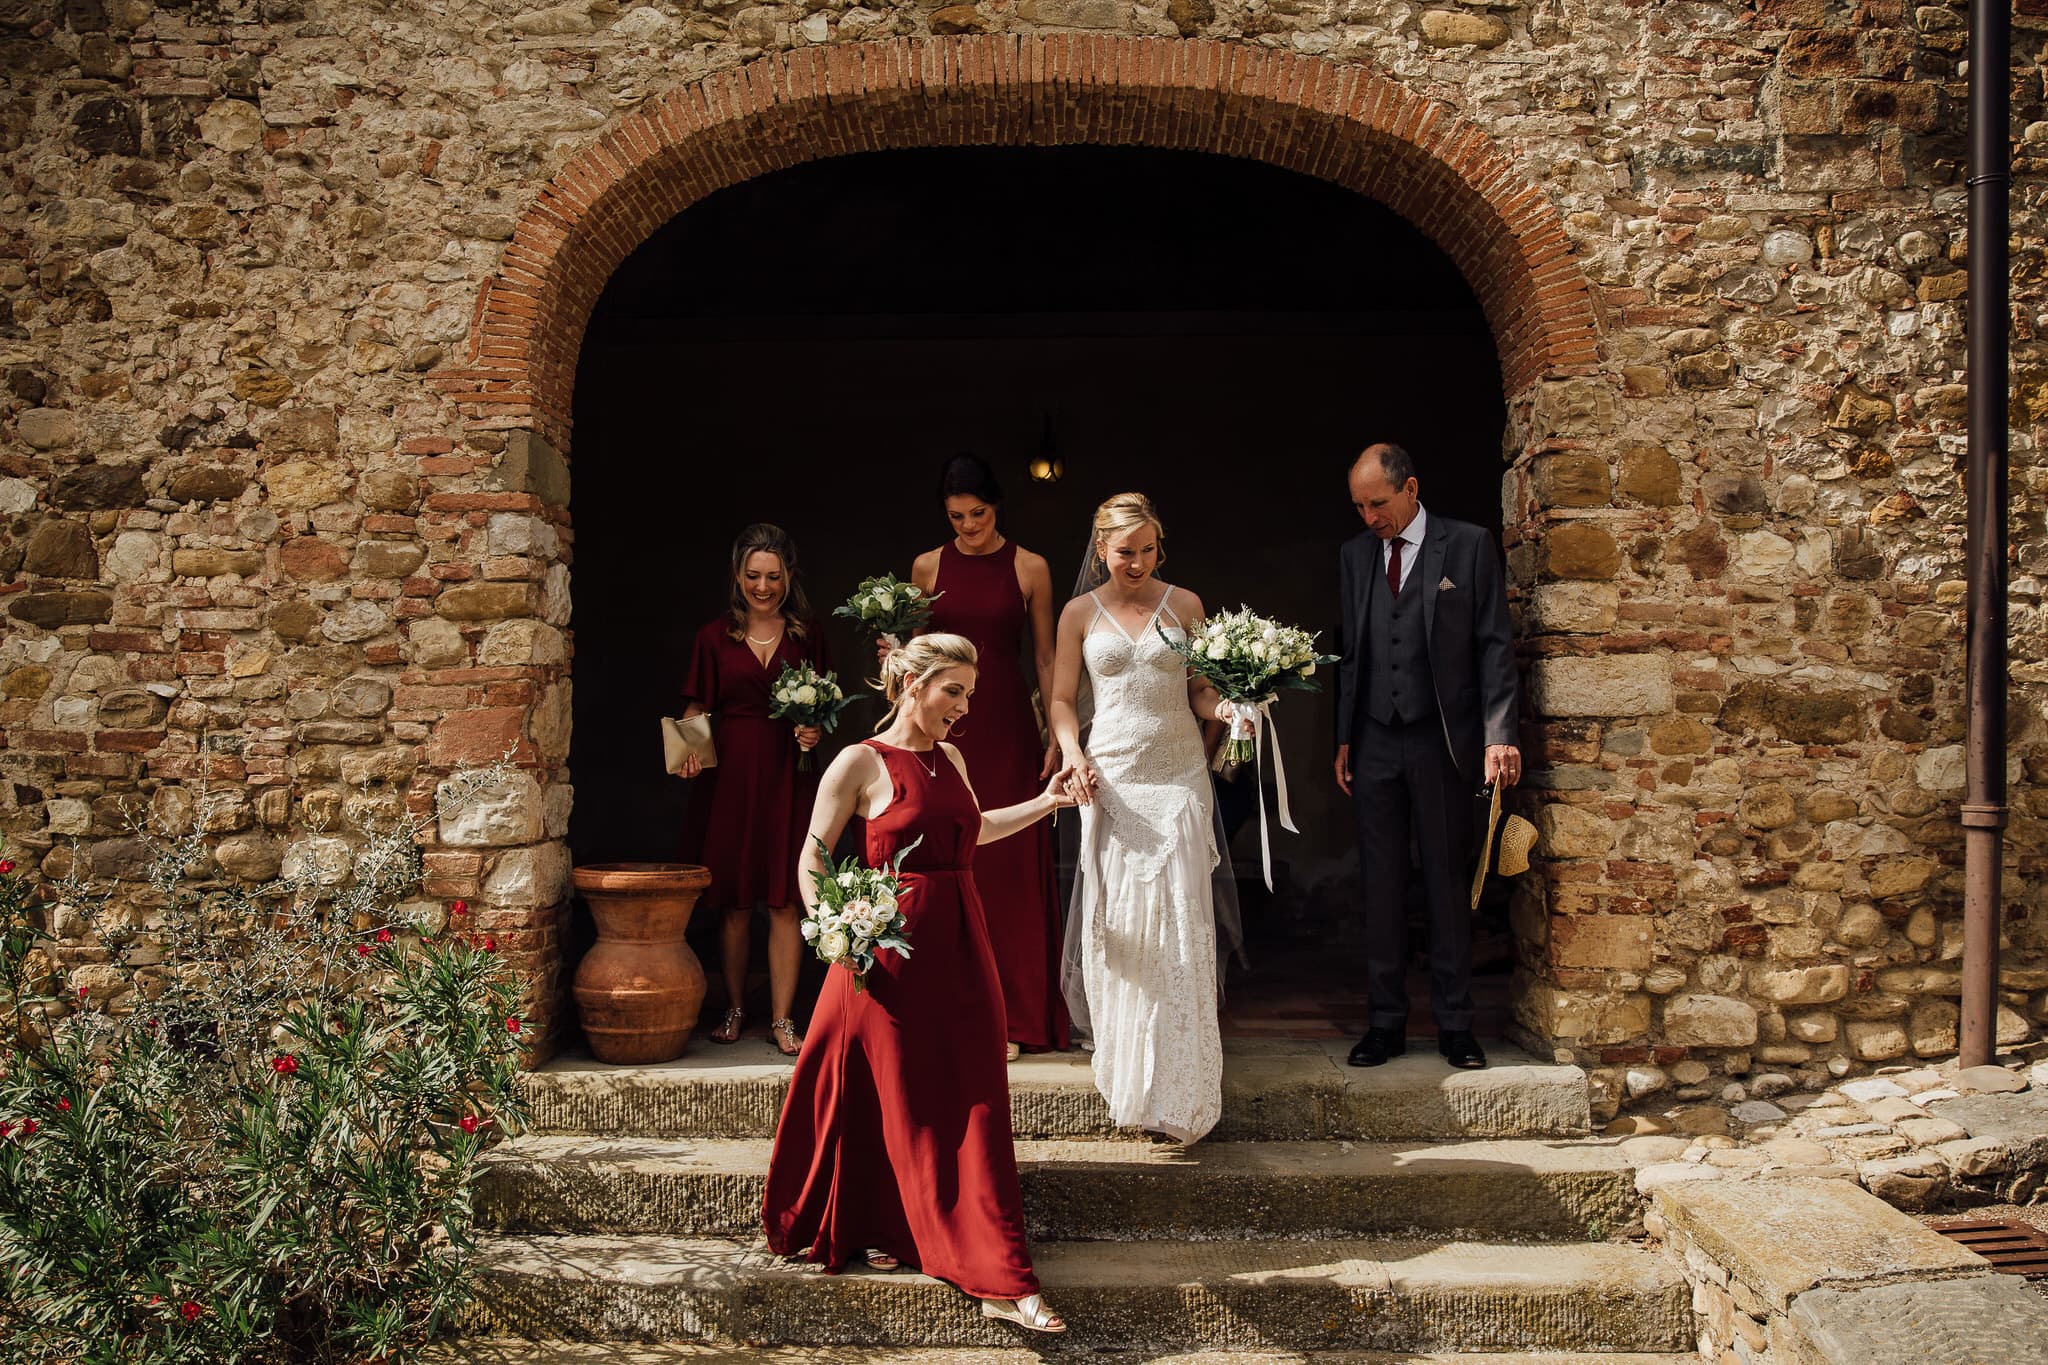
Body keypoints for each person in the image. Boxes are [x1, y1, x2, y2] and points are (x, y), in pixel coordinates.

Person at [762, 634, 1075, 1334]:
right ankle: (919, 1236)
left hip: (962, 944)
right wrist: (832, 928)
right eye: (953, 691)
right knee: (889, 1091)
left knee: (974, 1093)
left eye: (969, 693)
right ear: (910, 682)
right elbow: (813, 855)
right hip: (885, 956)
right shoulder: (858, 762)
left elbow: (972, 832)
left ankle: (994, 1258)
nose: (963, 708)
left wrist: (1045, 803)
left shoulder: (953, 758)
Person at [1048, 492, 1240, 1145]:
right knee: (1122, 927)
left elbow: (1203, 690)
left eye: (1147, 550)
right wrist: (1072, 752)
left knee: (1181, 923)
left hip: (1179, 776)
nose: (1135, 562)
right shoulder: (1078, 612)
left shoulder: (1185, 605)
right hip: (1112, 779)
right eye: (1124, 550)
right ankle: (1129, 1071)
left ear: (1160, 546)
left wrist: (1236, 709)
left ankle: (1182, 1084)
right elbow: (1062, 699)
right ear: (1101, 547)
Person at [1334, 443, 1520, 1071]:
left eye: (1378, 504)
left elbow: (1495, 644)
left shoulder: (1466, 546)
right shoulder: (1355, 556)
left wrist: (1500, 733)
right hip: (1376, 738)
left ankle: (1456, 1024)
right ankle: (1384, 1022)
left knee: (1445, 880)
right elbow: (1352, 652)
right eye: (1359, 506)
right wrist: (1344, 737)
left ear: (1410, 488)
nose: (1369, 518)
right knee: (1381, 886)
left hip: (1445, 739)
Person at [909, 454, 1068, 1059]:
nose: (967, 527)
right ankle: (949, 1009)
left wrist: (1054, 728)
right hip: (943, 727)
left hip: (1004, 724)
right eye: (955, 516)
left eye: (977, 514)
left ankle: (1015, 1014)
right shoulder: (927, 565)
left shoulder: (1030, 567)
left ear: (997, 507)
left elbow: (1049, 658)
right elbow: (914, 654)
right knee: (945, 853)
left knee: (1007, 861)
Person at [675, 523, 828, 1057]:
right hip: (733, 775)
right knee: (736, 903)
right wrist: (686, 750)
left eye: (773, 576)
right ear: (737, 575)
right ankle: (736, 1008)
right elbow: (696, 706)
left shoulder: (808, 634)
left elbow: (825, 708)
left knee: (787, 900)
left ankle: (783, 1019)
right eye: (752, 576)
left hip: (791, 771)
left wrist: (813, 728)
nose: (763, 587)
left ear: (789, 576)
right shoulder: (713, 635)